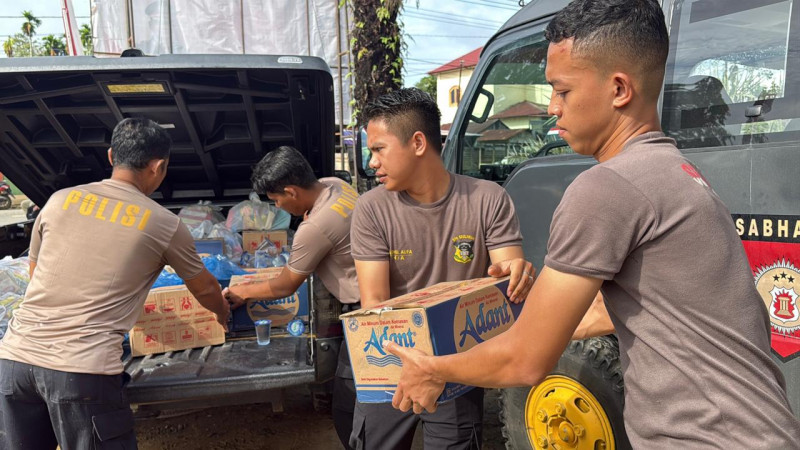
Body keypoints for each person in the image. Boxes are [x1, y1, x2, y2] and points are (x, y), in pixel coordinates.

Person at [384, 1, 800, 448]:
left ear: (619, 88)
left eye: (561, 91)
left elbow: (525, 363)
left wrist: (433, 369)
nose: (551, 108)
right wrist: (531, 311)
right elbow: (637, 308)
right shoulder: (677, 172)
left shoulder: (607, 186)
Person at [0, 118, 230, 449]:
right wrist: (221, 313)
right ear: (158, 166)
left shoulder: (59, 200)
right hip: (81, 373)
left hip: (14, 363)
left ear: (111, 157)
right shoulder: (163, 223)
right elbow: (205, 288)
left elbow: (36, 272)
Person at [349, 87, 535, 450]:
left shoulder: (487, 199)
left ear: (418, 142)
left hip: (459, 367)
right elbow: (375, 305)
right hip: (390, 363)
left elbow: (505, 282)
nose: (372, 163)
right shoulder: (371, 209)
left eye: (378, 149)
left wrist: (517, 274)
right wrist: (418, 368)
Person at [223, 145, 360, 449]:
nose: (279, 208)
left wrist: (242, 292)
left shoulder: (314, 228)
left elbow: (284, 285)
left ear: (291, 190)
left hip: (363, 311)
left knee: (349, 408)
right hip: (377, 294)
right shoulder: (336, 185)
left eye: (277, 200)